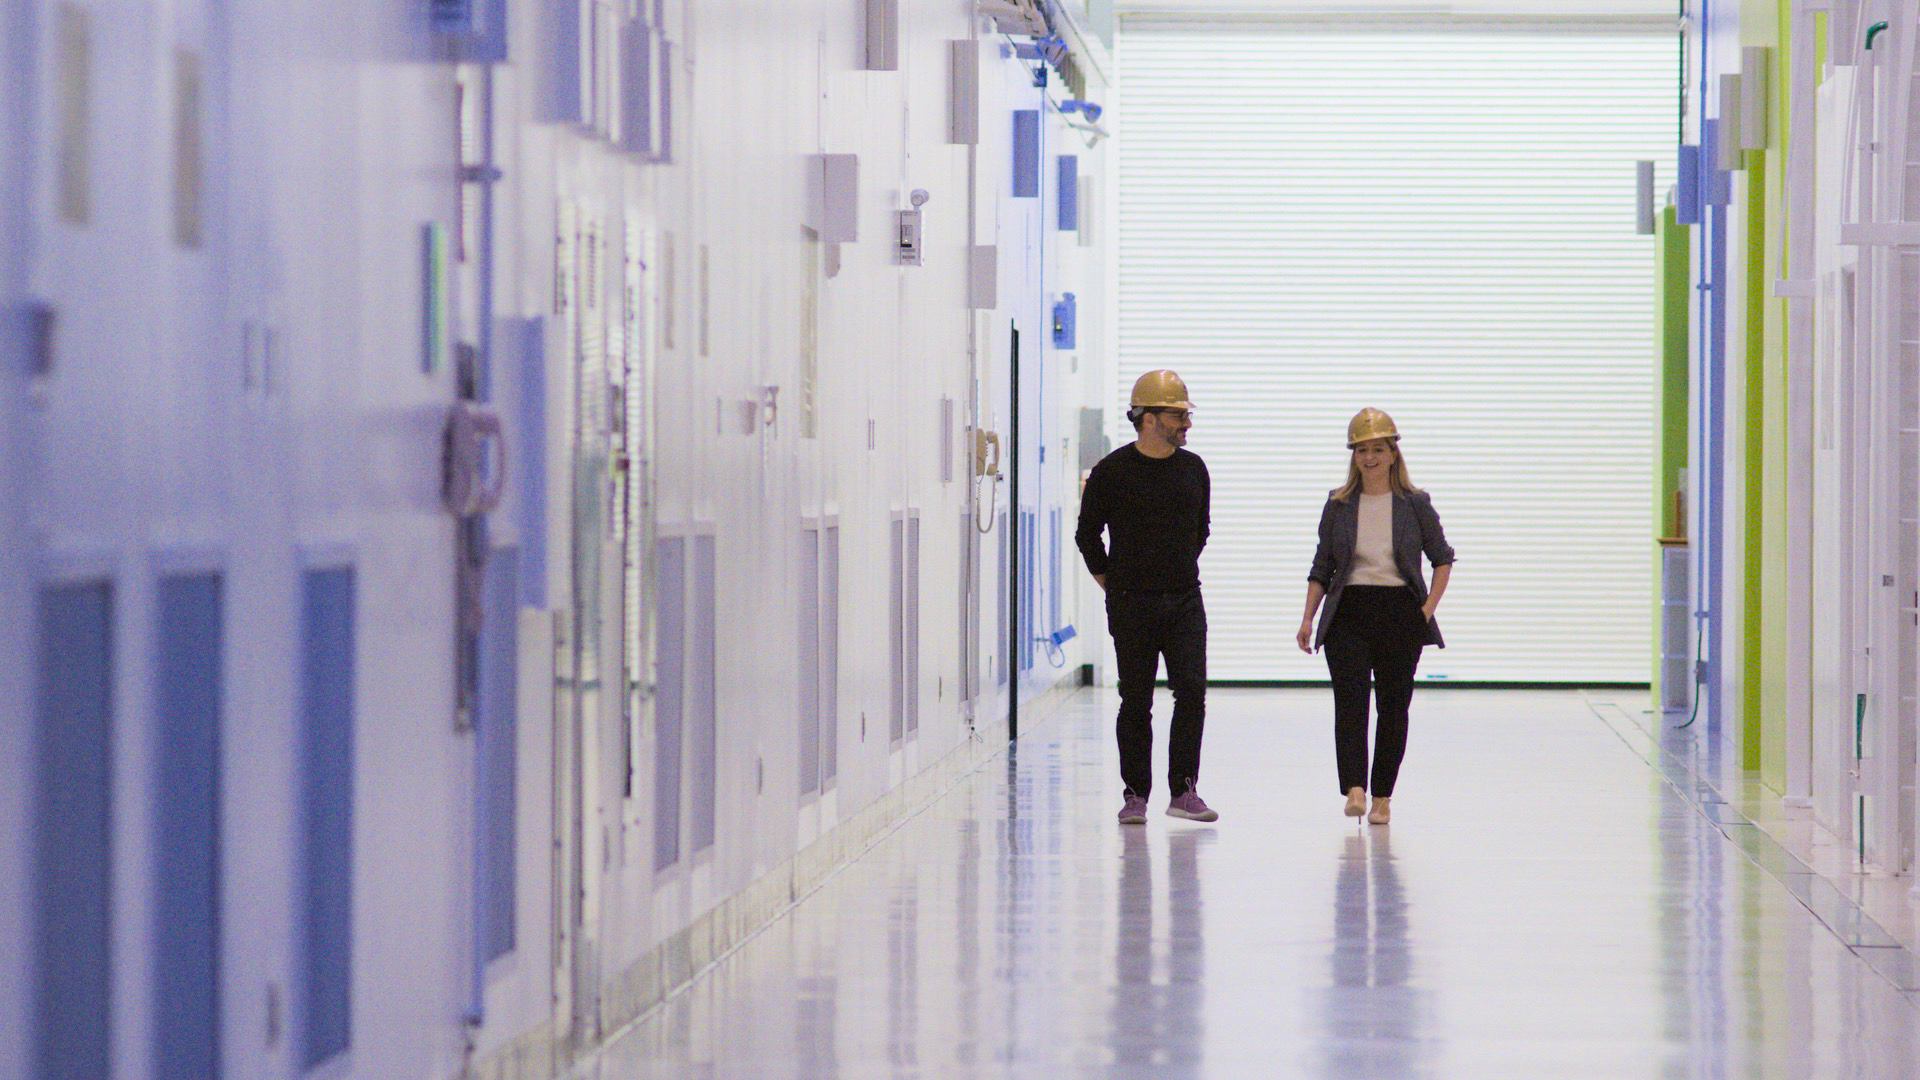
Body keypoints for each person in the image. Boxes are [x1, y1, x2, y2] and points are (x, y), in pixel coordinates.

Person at [1295, 408, 1454, 826]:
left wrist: (1426, 608)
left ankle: (1383, 795)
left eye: (1377, 449)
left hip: (1401, 611)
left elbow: (1442, 558)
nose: (1369, 457)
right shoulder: (1339, 503)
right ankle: (1354, 789)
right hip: (1348, 610)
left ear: (1393, 453)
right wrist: (1308, 618)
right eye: (1362, 450)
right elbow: (1322, 566)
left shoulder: (1415, 504)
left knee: (1393, 706)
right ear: (1353, 456)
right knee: (1350, 704)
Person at [1076, 369, 1218, 825]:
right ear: (1149, 417)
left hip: (1184, 600)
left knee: (1192, 691)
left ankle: (1184, 791)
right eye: (1178, 416)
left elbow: (1201, 529)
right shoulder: (1112, 472)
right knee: (1136, 698)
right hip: (1131, 603)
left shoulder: (1193, 468)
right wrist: (1112, 582)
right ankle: (1135, 795)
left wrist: (1174, 567)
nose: (1187, 424)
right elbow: (1087, 534)